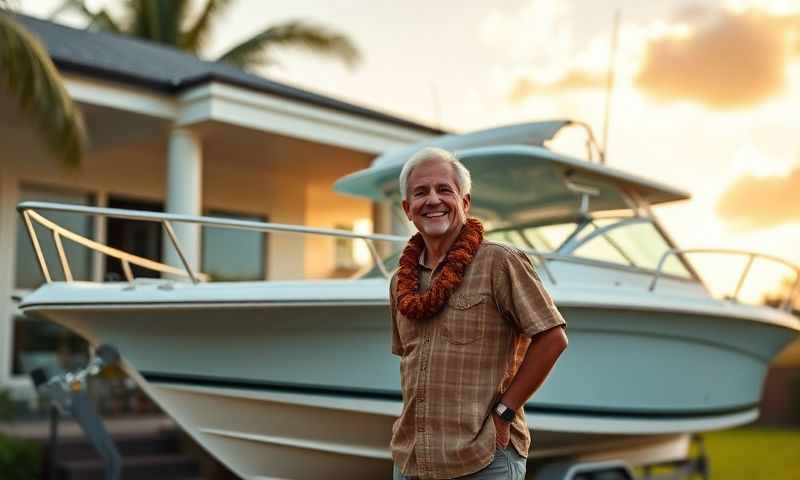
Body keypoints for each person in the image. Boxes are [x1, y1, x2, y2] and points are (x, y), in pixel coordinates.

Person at [389, 147, 568, 480]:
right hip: (412, 460)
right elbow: (408, 362)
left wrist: (504, 414)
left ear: (465, 202)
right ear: (407, 209)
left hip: (483, 458)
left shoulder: (499, 262)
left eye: (444, 189)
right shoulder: (401, 282)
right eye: (421, 192)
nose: (433, 200)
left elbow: (552, 338)